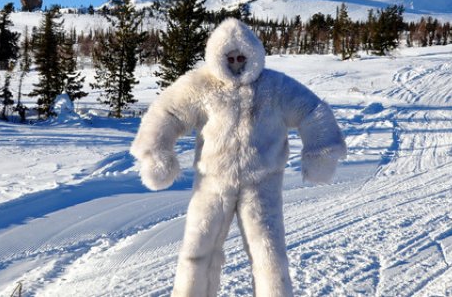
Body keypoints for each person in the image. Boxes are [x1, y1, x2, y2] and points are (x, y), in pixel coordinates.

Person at [131, 18, 346, 297]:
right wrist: (155, 153)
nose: (235, 62)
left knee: (268, 253)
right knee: (197, 251)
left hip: (262, 184)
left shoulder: (276, 86)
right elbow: (166, 113)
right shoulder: (200, 84)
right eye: (229, 57)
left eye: (241, 56)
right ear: (216, 57)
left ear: (254, 55)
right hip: (212, 183)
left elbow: (312, 111)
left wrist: (321, 152)